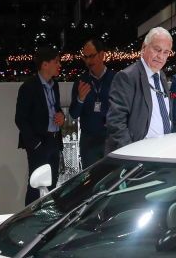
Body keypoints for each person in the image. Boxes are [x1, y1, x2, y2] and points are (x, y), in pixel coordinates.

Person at [105, 27, 173, 154]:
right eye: (157, 50)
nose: (160, 57)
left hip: (163, 152)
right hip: (139, 155)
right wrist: (131, 154)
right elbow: (116, 122)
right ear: (144, 47)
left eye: (165, 52)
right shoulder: (127, 77)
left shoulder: (161, 76)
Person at [15, 47, 65, 205]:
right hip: (39, 143)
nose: (59, 65)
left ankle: (47, 219)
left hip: (54, 141)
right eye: (56, 61)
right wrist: (35, 144)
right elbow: (20, 119)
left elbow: (54, 109)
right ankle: (27, 219)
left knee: (52, 184)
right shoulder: (28, 87)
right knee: (36, 185)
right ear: (44, 64)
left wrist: (61, 116)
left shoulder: (54, 85)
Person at [69, 37, 116, 168]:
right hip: (88, 142)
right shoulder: (81, 82)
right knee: (91, 183)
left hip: (111, 138)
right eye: (85, 57)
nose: (88, 61)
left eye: (92, 56)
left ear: (102, 55)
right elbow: (73, 114)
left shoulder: (116, 79)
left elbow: (126, 108)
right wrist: (80, 99)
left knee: (113, 180)